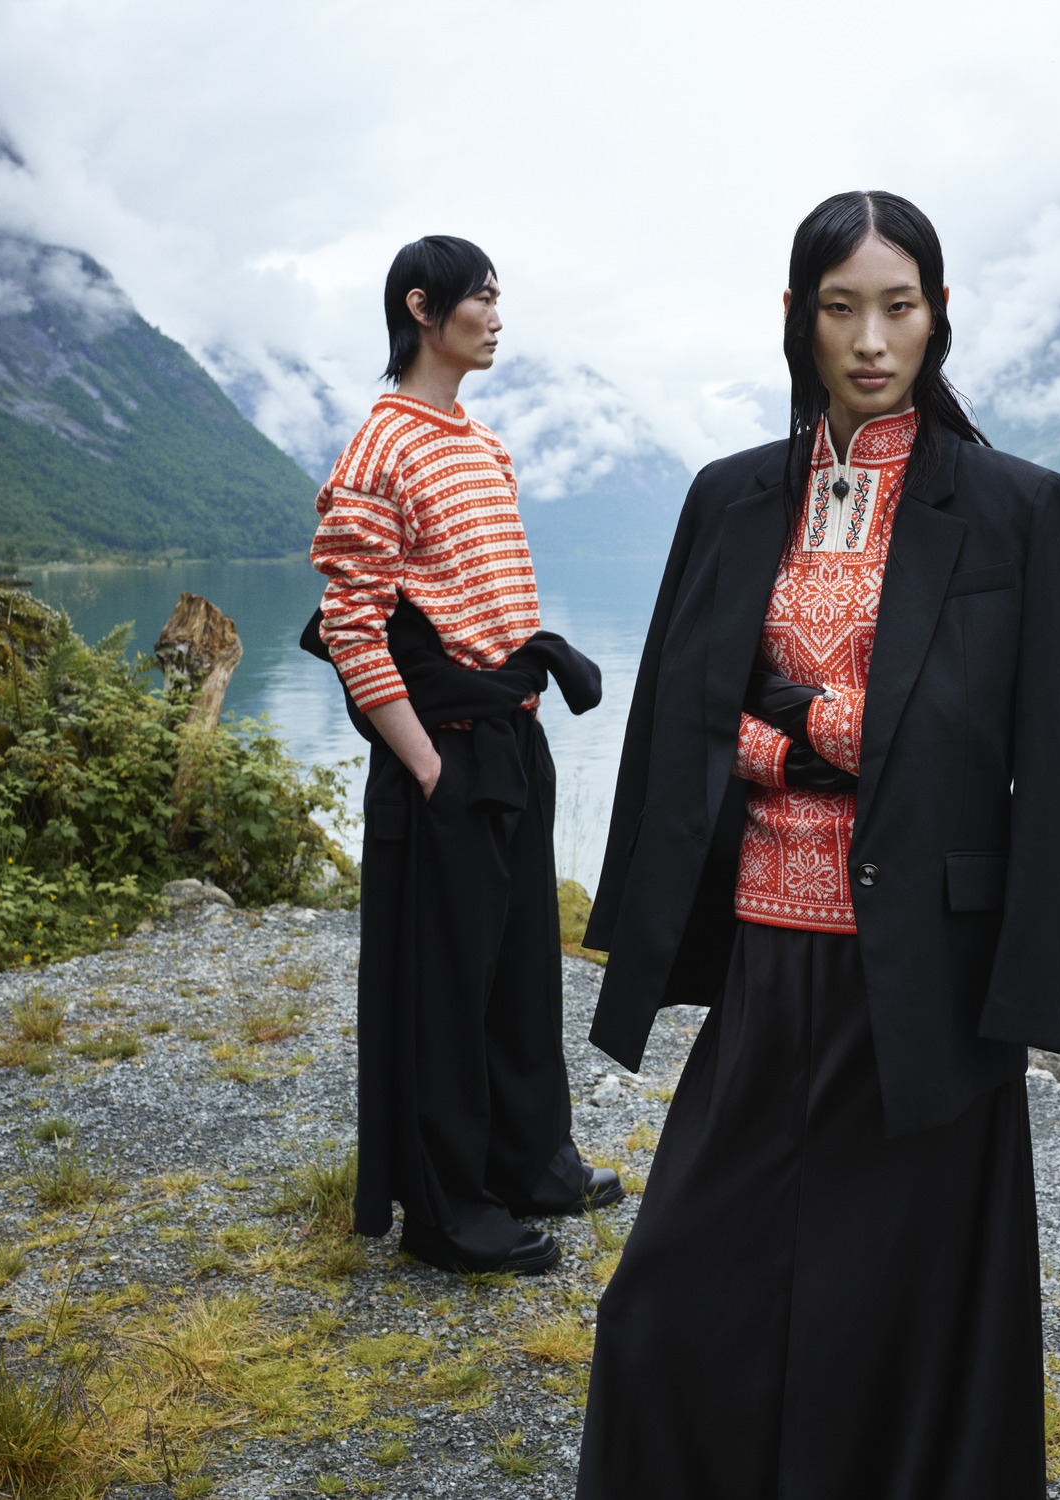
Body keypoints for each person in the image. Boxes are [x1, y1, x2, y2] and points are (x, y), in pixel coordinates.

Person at [574, 192, 1060, 1498]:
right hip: (764, 953)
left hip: (929, 974)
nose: (872, 338)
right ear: (798, 321)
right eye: (841, 306)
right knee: (670, 1294)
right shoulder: (731, 496)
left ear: (939, 315)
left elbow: (1048, 761)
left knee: (906, 1310)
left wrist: (1025, 992)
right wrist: (808, 743)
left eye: (899, 305)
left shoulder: (1018, 509)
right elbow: (679, 712)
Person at [306, 235, 621, 1277]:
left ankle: (529, 1163)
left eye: (497, 297)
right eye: (480, 298)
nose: (495, 315)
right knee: (443, 992)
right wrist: (422, 763)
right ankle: (446, 1215)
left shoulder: (481, 445)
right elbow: (350, 625)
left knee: (520, 969)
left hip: (509, 729)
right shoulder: (378, 449)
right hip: (441, 748)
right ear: (421, 307)